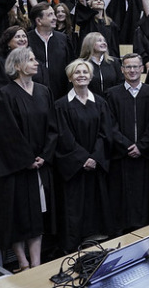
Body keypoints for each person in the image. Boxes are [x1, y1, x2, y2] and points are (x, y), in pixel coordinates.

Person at [0, 47, 58, 271]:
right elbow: (7, 133)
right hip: (15, 167)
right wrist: (27, 159)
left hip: (39, 165)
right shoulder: (4, 95)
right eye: (31, 60)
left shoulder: (44, 91)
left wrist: (44, 155)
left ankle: (36, 263)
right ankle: (22, 262)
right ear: (17, 66)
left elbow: (53, 128)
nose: (37, 63)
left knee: (37, 215)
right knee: (15, 215)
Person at [54, 59, 112, 251]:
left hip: (95, 166)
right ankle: (72, 248)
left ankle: (97, 246)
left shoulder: (101, 103)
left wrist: (94, 157)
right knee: (74, 209)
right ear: (70, 77)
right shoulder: (61, 105)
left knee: (98, 206)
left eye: (85, 72)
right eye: (77, 73)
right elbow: (63, 135)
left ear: (91, 76)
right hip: (75, 169)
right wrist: (82, 159)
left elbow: (105, 133)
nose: (81, 75)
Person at [104, 53, 149, 233]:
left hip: (145, 154)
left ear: (142, 69)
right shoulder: (112, 94)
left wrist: (142, 145)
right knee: (122, 195)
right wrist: (126, 145)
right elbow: (110, 124)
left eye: (136, 67)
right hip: (121, 155)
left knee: (144, 194)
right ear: (122, 70)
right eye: (128, 67)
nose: (132, 70)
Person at [27, 2, 74, 100]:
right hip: (33, 95)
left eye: (53, 14)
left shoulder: (64, 39)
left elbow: (71, 66)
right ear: (39, 21)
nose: (55, 18)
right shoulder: (27, 40)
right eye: (50, 15)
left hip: (61, 94)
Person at [79, 32, 123, 98]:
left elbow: (121, 83)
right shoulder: (81, 64)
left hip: (112, 101)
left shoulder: (115, 62)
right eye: (99, 41)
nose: (104, 43)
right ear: (90, 44)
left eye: (104, 41)